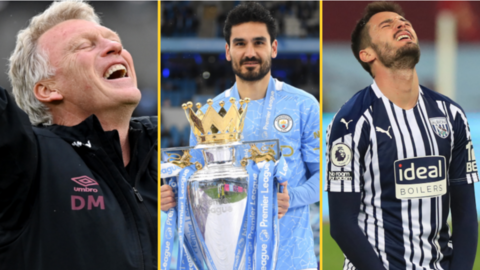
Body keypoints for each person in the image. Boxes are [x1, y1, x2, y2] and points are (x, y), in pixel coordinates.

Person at [161, 2, 319, 269]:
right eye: (240, 43)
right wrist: (174, 196)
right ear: (227, 50)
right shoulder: (207, 116)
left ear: (274, 48)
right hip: (230, 258)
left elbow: (320, 175)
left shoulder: (303, 105)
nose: (250, 52)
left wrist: (292, 197)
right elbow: (201, 188)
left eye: (259, 43)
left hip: (291, 258)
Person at [0, 1, 157, 269]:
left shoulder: (168, 158)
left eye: (113, 40)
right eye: (85, 45)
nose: (115, 47)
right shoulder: (26, 162)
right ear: (48, 90)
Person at [326, 2, 478, 270]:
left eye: (403, 21)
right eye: (387, 25)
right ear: (366, 54)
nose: (402, 24)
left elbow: (465, 213)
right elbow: (341, 224)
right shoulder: (351, 122)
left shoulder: (451, 115)